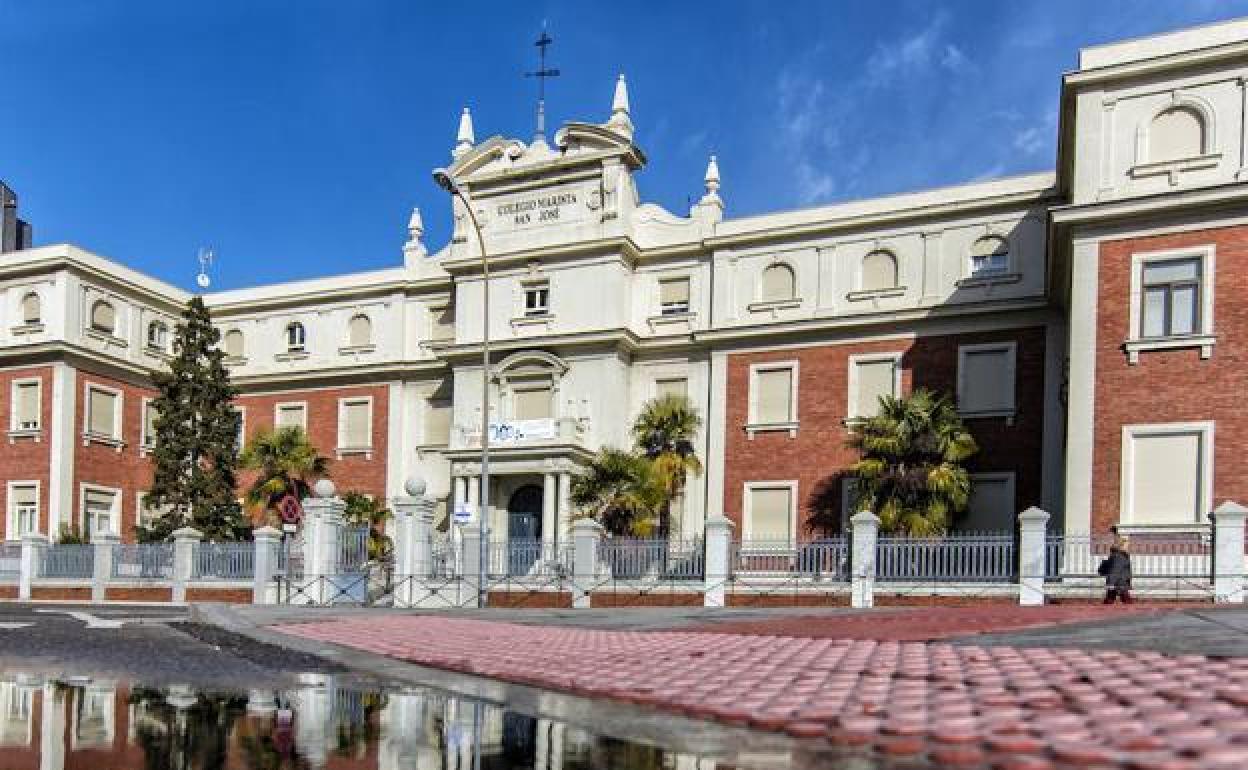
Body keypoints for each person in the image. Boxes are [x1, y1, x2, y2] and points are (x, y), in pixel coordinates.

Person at [1101, 525, 1133, 604]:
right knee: (1114, 585)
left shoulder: (1122, 546)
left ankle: (1122, 601)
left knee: (1120, 585)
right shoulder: (1118, 553)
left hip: (1120, 574)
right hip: (1118, 576)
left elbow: (1125, 551)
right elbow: (1115, 569)